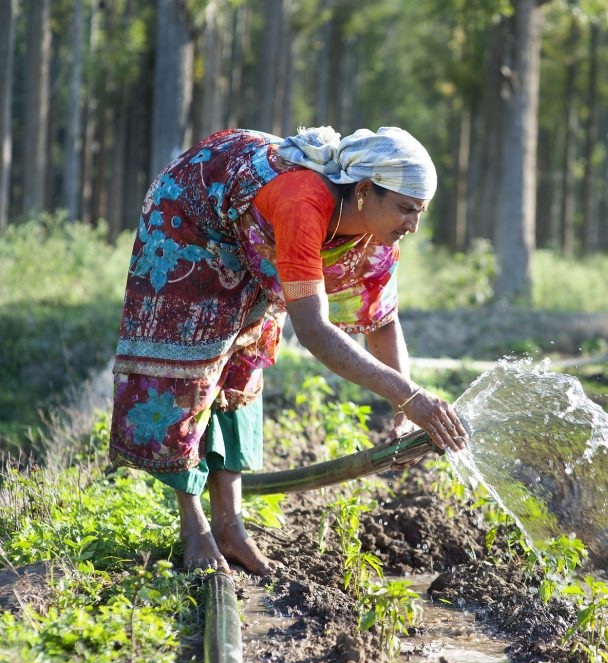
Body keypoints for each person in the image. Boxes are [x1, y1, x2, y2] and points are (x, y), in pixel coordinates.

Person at [109, 126, 468, 575]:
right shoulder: (304, 202)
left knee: (244, 362)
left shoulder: (378, 235)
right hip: (192, 215)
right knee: (191, 364)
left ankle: (230, 525)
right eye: (405, 209)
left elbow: (381, 318)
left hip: (254, 231)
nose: (413, 225)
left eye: (420, 213)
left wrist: (401, 409)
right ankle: (195, 527)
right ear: (363, 192)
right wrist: (409, 397)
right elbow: (315, 331)